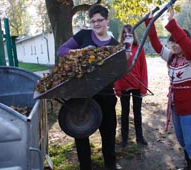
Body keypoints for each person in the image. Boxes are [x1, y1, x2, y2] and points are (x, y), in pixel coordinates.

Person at [57, 4, 122, 170]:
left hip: (105, 95)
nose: (96, 24)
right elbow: (62, 50)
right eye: (93, 21)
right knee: (81, 133)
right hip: (82, 94)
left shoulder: (114, 45)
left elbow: (118, 71)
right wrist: (81, 52)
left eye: (100, 20)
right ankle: (85, 165)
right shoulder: (83, 35)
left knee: (108, 132)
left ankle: (110, 164)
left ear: (107, 20)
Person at [145, 9, 191, 170]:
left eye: (177, 42)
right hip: (176, 107)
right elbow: (156, 44)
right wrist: (149, 23)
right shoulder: (171, 57)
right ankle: (188, 166)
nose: (174, 45)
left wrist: (172, 25)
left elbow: (189, 48)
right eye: (172, 42)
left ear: (185, 42)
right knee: (183, 141)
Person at [114, 24, 148, 147]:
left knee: (137, 112)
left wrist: (143, 87)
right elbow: (116, 71)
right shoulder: (119, 49)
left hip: (137, 86)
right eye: (125, 33)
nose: (127, 35)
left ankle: (140, 137)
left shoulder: (139, 48)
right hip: (123, 86)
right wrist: (117, 88)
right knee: (124, 113)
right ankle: (124, 138)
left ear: (133, 35)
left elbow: (144, 69)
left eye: (129, 33)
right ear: (122, 35)